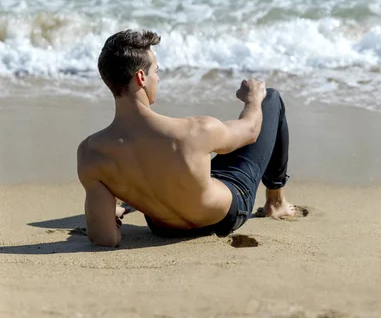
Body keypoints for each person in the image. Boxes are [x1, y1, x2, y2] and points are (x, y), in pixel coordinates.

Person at [77, 30, 295, 247]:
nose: (158, 78)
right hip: (224, 216)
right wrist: (253, 100)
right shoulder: (195, 131)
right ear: (141, 78)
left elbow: (106, 238)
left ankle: (132, 201)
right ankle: (276, 202)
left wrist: (108, 215)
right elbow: (251, 131)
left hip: (162, 227)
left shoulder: (91, 153)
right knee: (272, 99)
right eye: (156, 71)